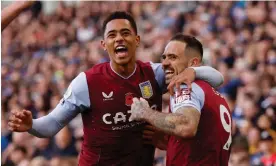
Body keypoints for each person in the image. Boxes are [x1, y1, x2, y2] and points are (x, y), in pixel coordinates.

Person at [8, 12, 224, 166]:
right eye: (112, 35)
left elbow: (217, 78)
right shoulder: (86, 82)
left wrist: (194, 72)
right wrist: (30, 125)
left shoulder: (154, 74)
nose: (119, 38)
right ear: (104, 44)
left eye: (125, 33)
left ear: (137, 40)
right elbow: (51, 125)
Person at [130, 34, 232, 166]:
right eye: (164, 57)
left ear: (193, 63)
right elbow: (202, 146)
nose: (165, 63)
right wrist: (166, 139)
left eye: (173, 57)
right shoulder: (213, 94)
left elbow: (186, 126)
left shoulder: (184, 86)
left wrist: (145, 113)